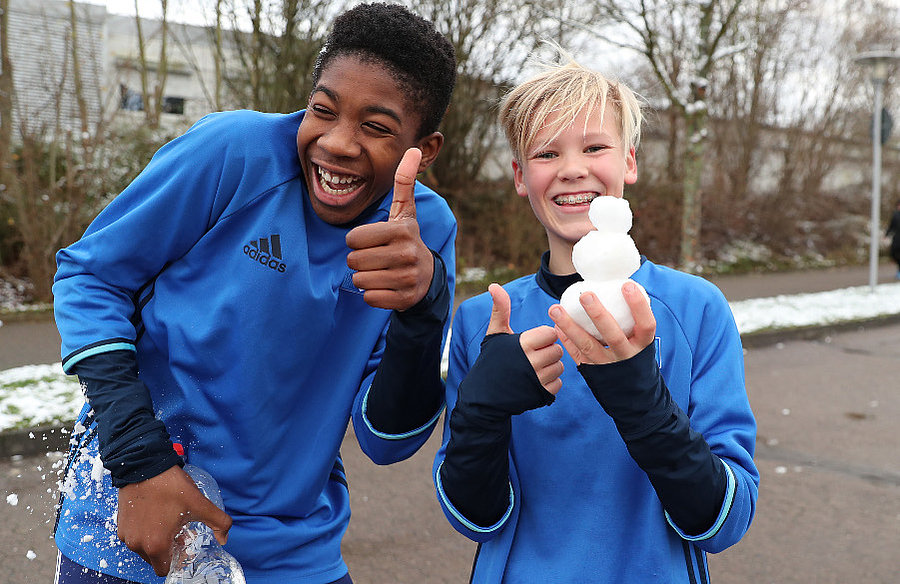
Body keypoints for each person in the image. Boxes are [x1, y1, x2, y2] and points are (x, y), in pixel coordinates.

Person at [52, 4, 457, 583]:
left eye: (377, 126)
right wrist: (138, 461)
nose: (338, 142)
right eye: (324, 110)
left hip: (294, 555)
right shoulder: (233, 152)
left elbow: (386, 438)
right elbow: (90, 277)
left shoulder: (425, 233)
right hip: (137, 520)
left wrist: (425, 306)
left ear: (427, 148)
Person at [433, 53, 759, 583]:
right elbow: (474, 518)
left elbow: (726, 520)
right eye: (546, 152)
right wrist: (481, 417)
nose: (572, 168)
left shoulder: (697, 309)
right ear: (520, 176)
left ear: (629, 161)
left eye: (594, 146)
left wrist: (643, 406)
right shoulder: (485, 322)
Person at [886, 199, 900, 279]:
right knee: (894, 253)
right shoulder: (895, 215)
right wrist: (886, 234)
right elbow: (891, 226)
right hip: (897, 238)